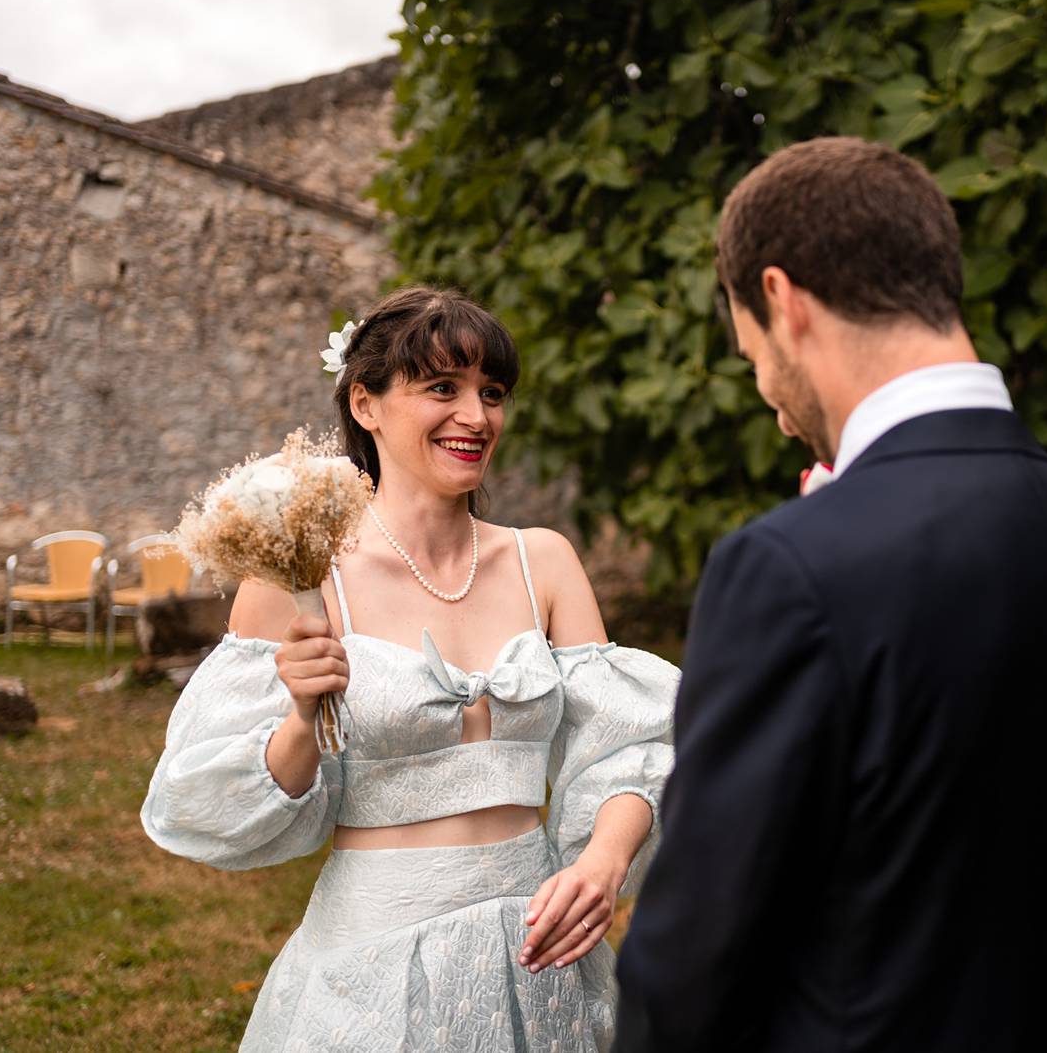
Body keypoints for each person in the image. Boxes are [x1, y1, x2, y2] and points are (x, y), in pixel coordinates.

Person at [613, 137, 1047, 1053]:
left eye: (751, 351)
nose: (764, 389)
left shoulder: (787, 568)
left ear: (783, 302)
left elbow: (690, 965)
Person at [142, 286, 678, 1052]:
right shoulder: (299, 576)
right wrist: (301, 716)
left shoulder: (544, 561)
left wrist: (601, 861)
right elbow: (220, 803)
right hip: (372, 967)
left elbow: (631, 745)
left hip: (538, 953)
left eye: (492, 393)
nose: (477, 416)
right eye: (442, 388)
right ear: (365, 403)